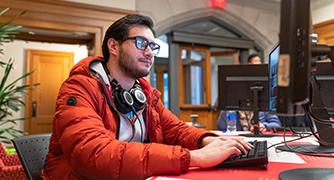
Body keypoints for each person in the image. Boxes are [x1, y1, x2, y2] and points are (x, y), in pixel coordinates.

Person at [41, 14, 252, 179]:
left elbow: (175, 130)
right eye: (141, 43)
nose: (150, 52)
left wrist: (206, 140)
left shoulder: (145, 93)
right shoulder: (79, 87)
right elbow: (93, 153)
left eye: (153, 46)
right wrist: (193, 157)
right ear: (113, 46)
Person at [216, 53, 282, 133]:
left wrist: (264, 126)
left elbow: (277, 124)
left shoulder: (264, 101)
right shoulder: (230, 106)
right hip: (238, 141)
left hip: (260, 139)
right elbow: (221, 127)